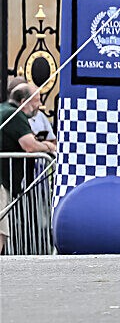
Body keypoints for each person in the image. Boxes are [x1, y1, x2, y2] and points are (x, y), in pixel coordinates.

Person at [0, 84, 57, 252]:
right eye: (37, 101)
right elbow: (30, 146)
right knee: (1, 229)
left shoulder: (3, 109)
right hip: (2, 181)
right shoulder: (14, 114)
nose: (39, 106)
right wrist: (49, 147)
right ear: (24, 102)